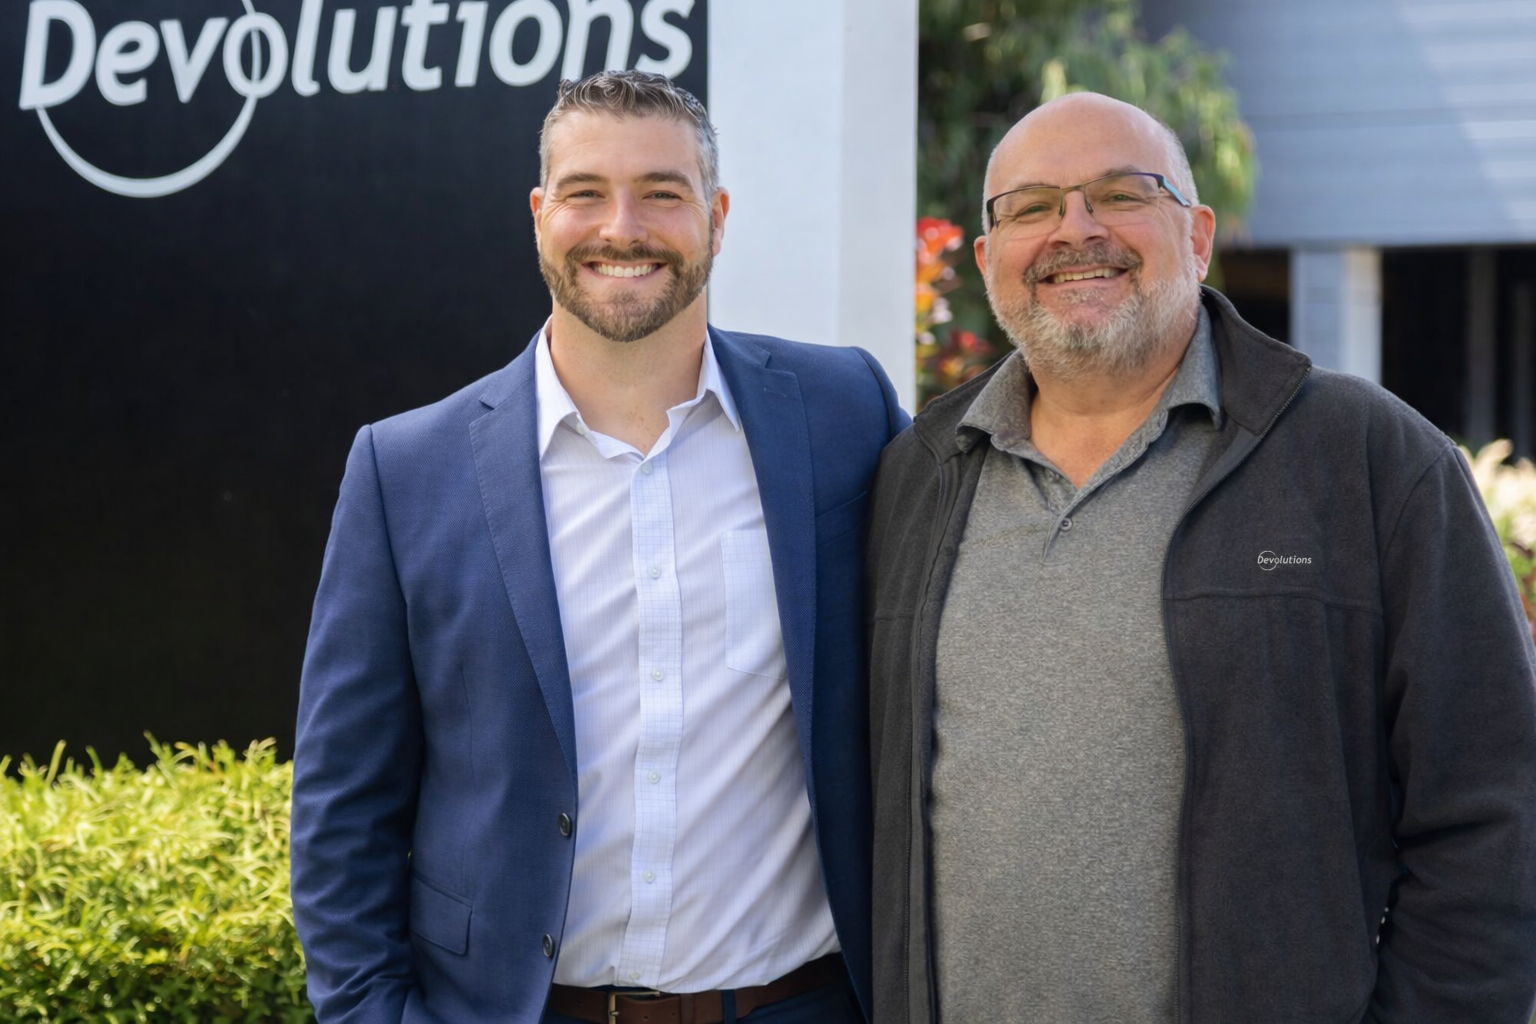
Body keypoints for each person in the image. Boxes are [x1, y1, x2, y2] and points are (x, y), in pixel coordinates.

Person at [866, 91, 1536, 1023]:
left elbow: (1496, 810)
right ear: (987, 259)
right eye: (1031, 208)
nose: (1076, 231)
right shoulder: (918, 476)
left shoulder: (1369, 459)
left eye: (1121, 194)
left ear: (1199, 234)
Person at [291, 70, 906, 1024]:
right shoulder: (406, 470)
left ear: (717, 215)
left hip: (800, 1004)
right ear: (541, 215)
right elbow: (343, 813)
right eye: (586, 193)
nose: (623, 227)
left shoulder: (842, 413)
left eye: (663, 192)